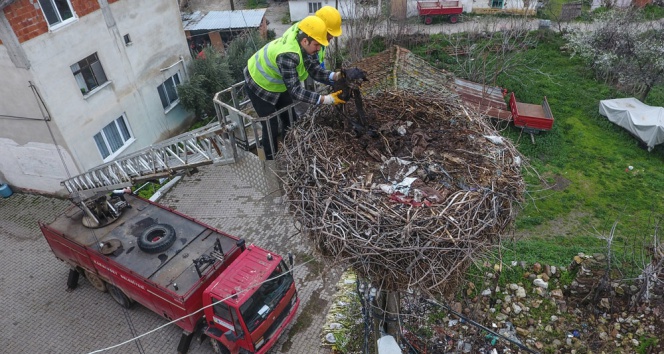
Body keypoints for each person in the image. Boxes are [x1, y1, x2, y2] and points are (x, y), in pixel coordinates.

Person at [244, 16, 346, 160]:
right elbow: (296, 91)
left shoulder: (305, 37)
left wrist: (335, 76)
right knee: (270, 126)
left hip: (279, 83)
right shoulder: (288, 55)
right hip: (258, 83)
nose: (319, 49)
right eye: (317, 45)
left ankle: (288, 153)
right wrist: (326, 99)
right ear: (305, 41)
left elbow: (314, 70)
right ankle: (270, 161)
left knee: (290, 118)